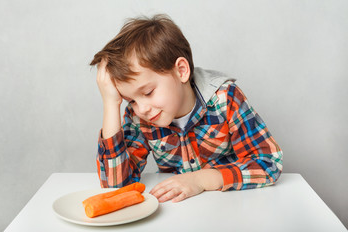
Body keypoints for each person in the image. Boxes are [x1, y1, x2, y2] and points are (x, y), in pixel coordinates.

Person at [90, 14, 283, 203]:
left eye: (148, 92)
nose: (142, 109)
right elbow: (116, 187)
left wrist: (201, 180)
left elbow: (268, 163)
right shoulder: (139, 117)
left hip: (232, 204)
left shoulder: (225, 98)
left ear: (181, 71)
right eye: (130, 100)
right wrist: (110, 104)